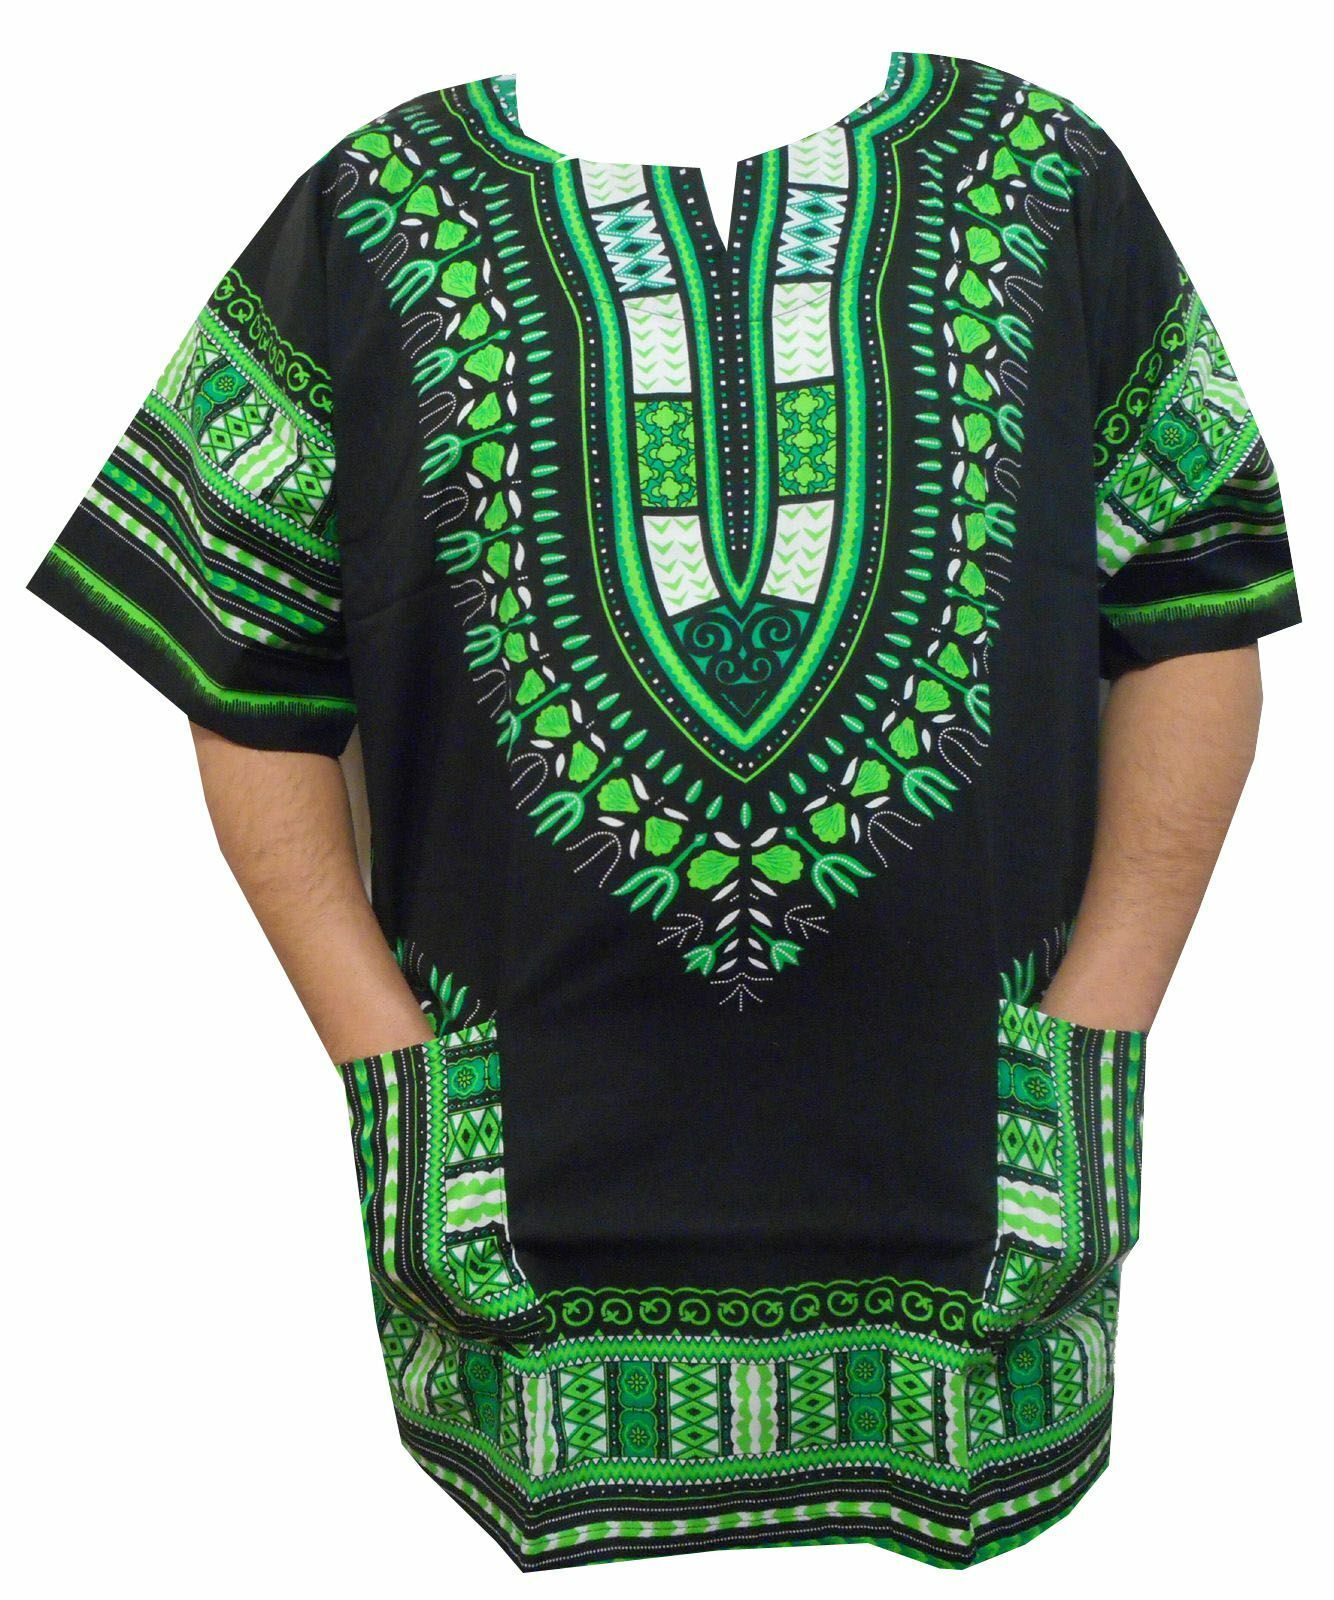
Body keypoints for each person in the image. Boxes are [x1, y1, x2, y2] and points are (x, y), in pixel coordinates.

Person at [24, 50, 1301, 1571]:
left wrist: (1104, 1017)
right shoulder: (374, 205)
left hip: (982, 1249)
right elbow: (242, 667)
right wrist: (383, 1059)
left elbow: (1195, 604)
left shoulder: (1039, 174)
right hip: (522, 1267)